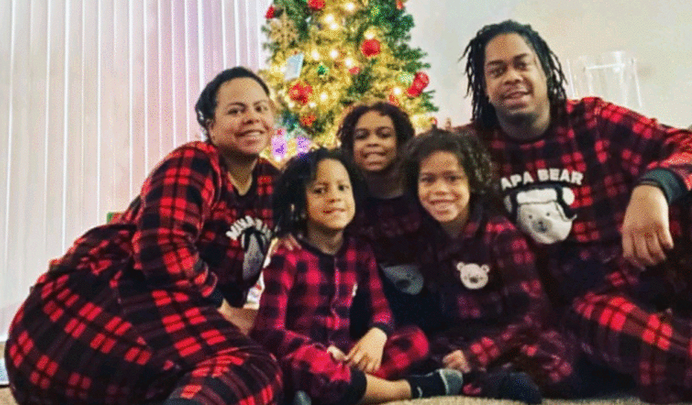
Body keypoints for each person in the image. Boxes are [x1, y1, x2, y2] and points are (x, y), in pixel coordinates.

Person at [4, 66, 283, 405]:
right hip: (90, 311)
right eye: (236, 110)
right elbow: (162, 248)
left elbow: (318, 226)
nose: (252, 117)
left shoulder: (273, 183)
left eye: (260, 107)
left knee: (259, 365)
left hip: (166, 321)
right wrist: (226, 310)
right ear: (210, 125)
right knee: (251, 367)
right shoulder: (196, 161)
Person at [460, 19, 692, 403]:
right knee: (607, 327)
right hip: (587, 309)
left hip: (654, 262)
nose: (512, 77)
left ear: (545, 71)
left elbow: (684, 143)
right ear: (484, 86)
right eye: (497, 70)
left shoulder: (592, 121)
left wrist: (653, 188)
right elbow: (410, 176)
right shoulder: (470, 148)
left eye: (522, 64)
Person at [250, 148, 463, 405]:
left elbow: (381, 309)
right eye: (320, 190)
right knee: (308, 365)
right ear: (300, 206)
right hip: (305, 356)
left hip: (346, 355)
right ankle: (409, 389)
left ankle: (341, 390)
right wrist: (321, 353)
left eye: (343, 188)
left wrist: (377, 335)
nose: (334, 197)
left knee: (414, 339)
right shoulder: (288, 256)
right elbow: (268, 330)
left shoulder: (359, 251)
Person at [403, 127, 590, 403]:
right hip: (461, 336)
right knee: (420, 351)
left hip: (513, 335)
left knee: (555, 361)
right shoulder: (427, 238)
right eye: (428, 180)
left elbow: (533, 313)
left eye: (453, 178)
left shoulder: (500, 234)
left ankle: (495, 380)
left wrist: (479, 353)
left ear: (472, 181)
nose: (440, 190)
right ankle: (488, 380)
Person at [336, 102, 438, 335]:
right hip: (369, 317)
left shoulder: (423, 192)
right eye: (362, 136)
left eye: (384, 135)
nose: (372, 142)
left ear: (401, 143)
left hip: (431, 310)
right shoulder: (345, 200)